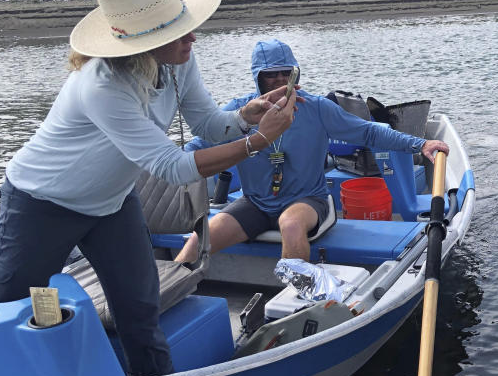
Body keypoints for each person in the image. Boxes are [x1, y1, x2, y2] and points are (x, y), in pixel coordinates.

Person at [0, 0, 298, 376]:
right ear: (145, 45)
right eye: (180, 33)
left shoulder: (178, 62)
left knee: (140, 307)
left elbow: (208, 123)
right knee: (10, 305)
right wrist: (258, 142)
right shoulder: (101, 86)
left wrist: (246, 118)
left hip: (112, 203)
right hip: (41, 204)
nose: (193, 38)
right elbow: (172, 168)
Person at [174, 39, 448, 264]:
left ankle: (294, 301)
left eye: (287, 73)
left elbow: (368, 131)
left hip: (307, 201)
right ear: (258, 78)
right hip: (255, 203)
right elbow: (200, 145)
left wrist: (420, 144)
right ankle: (172, 290)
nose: (280, 80)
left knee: (291, 225)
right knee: (201, 238)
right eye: (271, 75)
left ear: (296, 75)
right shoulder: (239, 112)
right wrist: (159, 167)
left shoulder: (317, 108)